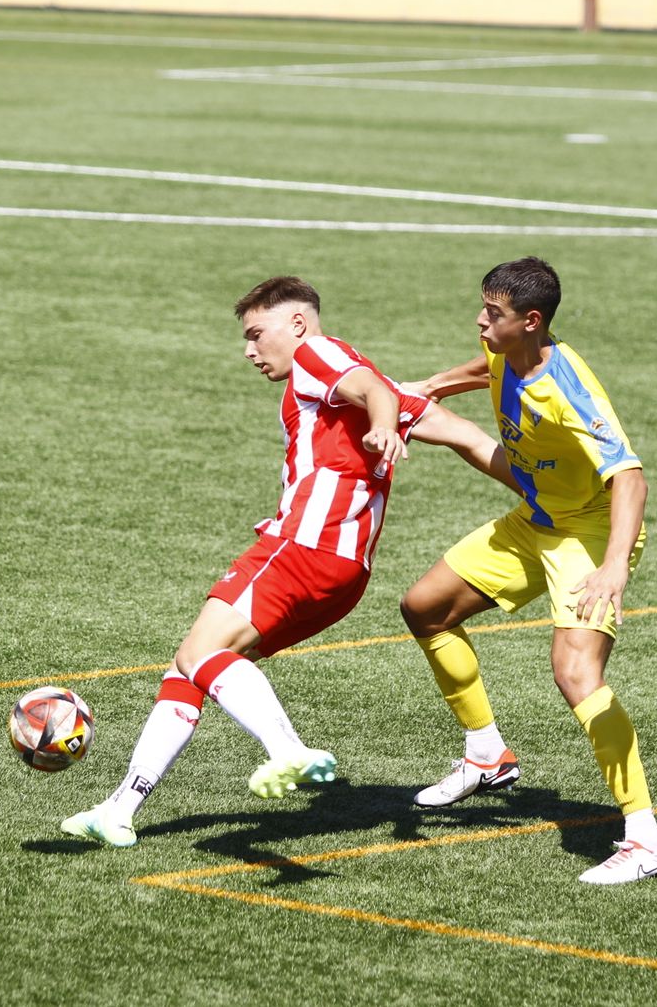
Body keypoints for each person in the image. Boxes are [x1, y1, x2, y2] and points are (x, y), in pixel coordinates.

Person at [63, 276, 514, 848]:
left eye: (256, 335)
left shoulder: (316, 354)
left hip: (301, 546)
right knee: (193, 670)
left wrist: (380, 418)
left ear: (297, 324)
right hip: (345, 575)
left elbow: (371, 387)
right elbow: (467, 437)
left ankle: (288, 749)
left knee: (199, 653)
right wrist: (541, 490)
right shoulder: (361, 390)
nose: (249, 351)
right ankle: (120, 808)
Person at [397, 256, 657, 886]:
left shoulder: (570, 388)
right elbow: (481, 367)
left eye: (492, 314)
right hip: (537, 517)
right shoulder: (504, 351)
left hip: (590, 533)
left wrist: (612, 569)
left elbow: (630, 476)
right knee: (424, 608)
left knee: (576, 673)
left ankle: (646, 839)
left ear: (531, 321)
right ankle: (487, 754)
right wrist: (428, 386)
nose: (479, 320)